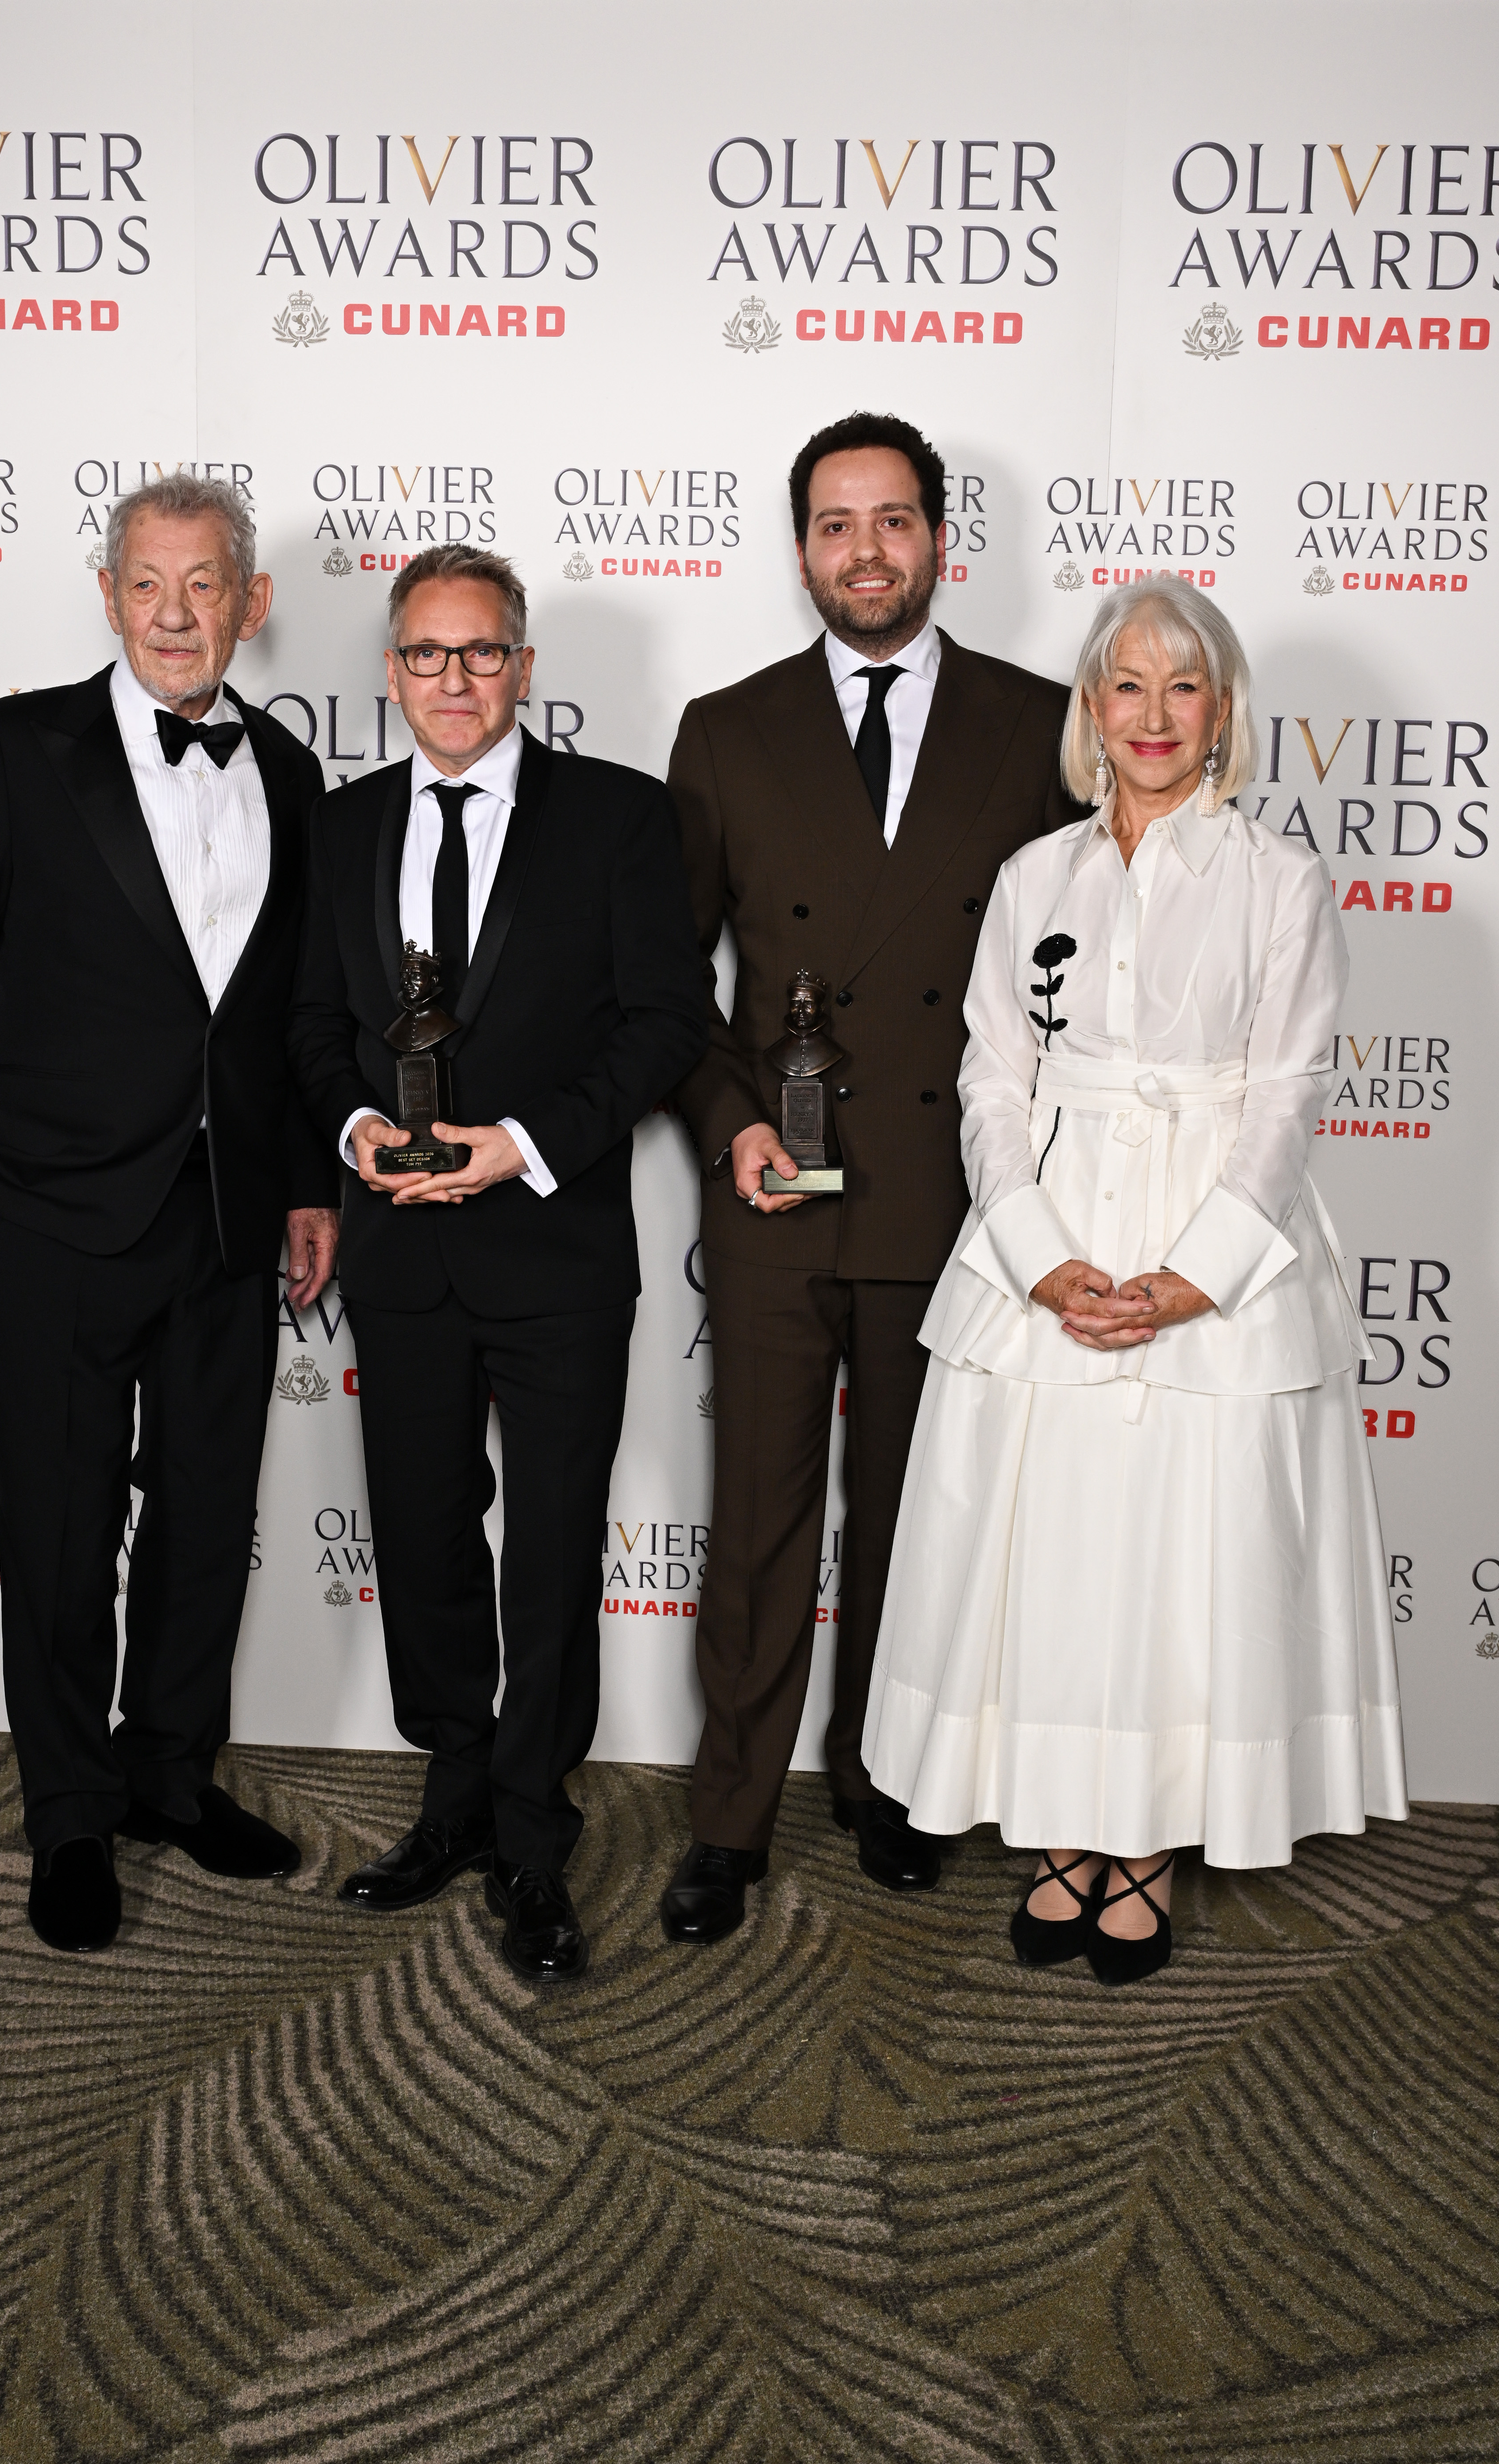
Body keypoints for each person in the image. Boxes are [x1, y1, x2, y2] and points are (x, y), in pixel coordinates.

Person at [862, 575, 1408, 1985]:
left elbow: (1287, 1100)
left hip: (1211, 1255)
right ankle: (1061, 1833)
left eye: (1183, 687)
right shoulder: (1032, 877)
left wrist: (1193, 1278)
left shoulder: (1279, 881)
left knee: (1182, 1559)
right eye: (1127, 685)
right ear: (1090, 710)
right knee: (1054, 1554)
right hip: (1048, 1249)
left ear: (1218, 710)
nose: (1154, 714)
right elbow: (990, 1082)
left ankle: (1150, 1843)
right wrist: (1040, 1263)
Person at [0, 474, 340, 1955]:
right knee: (65, 1534)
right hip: (51, 1226)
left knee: (208, 1526)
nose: (172, 614)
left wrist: (299, 1188)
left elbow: (285, 1022)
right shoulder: (16, 748)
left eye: (202, 585)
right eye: (145, 584)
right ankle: (69, 1818)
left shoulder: (287, 770)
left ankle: (170, 1778)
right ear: (107, 595)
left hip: (223, 1227)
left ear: (250, 603)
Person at [660, 411, 1086, 1945]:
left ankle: (889, 1786)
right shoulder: (727, 727)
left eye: (892, 521)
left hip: (953, 1197)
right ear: (798, 552)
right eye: (836, 525)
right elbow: (666, 984)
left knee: (918, 1519)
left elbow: (1080, 984)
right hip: (775, 1198)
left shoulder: (1042, 724)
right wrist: (733, 1128)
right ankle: (727, 1817)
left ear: (937, 541)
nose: (865, 552)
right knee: (758, 1526)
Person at [289, 543, 708, 1984]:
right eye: (424, 655)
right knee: (419, 1542)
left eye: (480, 655)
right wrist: (354, 1129)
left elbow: (662, 1027)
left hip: (556, 1252)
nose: (452, 681)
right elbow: (305, 1028)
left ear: (524, 670)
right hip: (399, 1258)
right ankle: (454, 1795)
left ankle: (535, 1830)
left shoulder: (619, 820)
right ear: (391, 670)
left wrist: (521, 1142)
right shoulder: (338, 832)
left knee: (547, 1559)